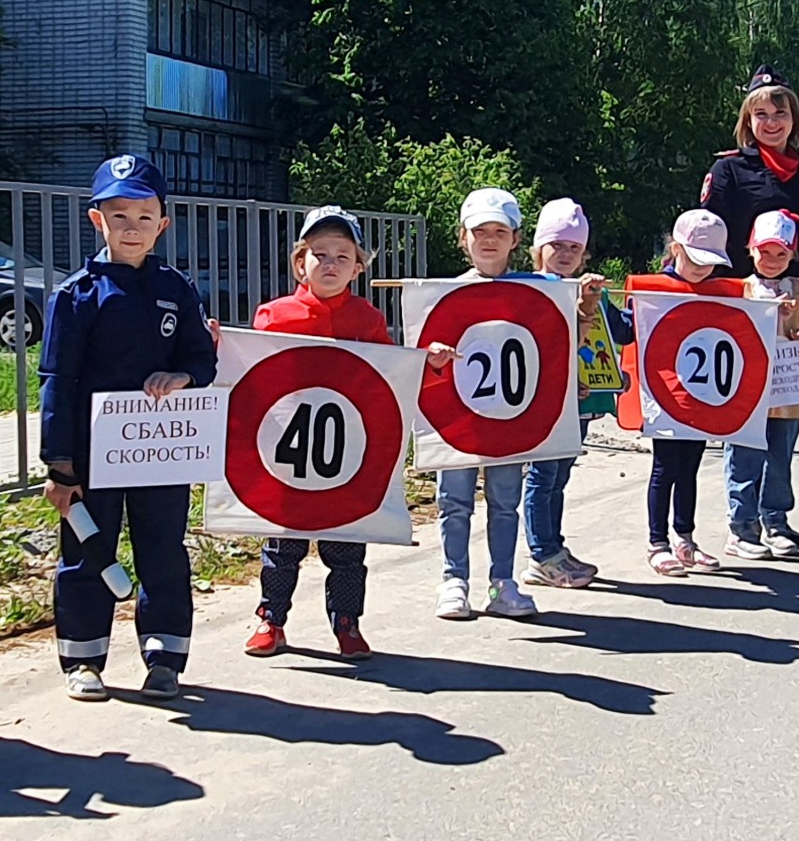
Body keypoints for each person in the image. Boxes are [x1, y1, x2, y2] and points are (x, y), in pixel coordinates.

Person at [41, 154, 218, 702]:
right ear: (98, 222)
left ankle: (165, 656)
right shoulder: (76, 295)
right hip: (93, 456)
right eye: (119, 217)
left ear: (163, 223)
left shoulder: (177, 288)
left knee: (163, 548)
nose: (132, 228)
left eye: (144, 217)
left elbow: (202, 360)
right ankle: (84, 658)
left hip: (161, 452)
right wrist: (59, 463)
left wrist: (184, 374)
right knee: (87, 553)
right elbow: (57, 378)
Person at [243, 206, 450, 660]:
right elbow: (250, 378)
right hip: (286, 453)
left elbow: (386, 380)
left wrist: (426, 366)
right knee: (282, 541)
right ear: (301, 262)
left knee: (347, 543)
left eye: (342, 255)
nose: (330, 263)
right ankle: (270, 620)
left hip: (347, 452)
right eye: (320, 254)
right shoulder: (273, 316)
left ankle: (347, 622)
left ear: (359, 267)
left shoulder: (367, 319)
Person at [434, 188, 547, 621]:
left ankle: (503, 581)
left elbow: (554, 347)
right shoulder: (443, 293)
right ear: (463, 237)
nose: (489, 240)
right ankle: (453, 580)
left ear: (516, 239)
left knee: (505, 500)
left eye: (500, 231)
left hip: (510, 417)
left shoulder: (538, 293)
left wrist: (585, 307)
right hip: (459, 417)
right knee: (454, 499)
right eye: (480, 231)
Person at [624, 210, 747, 577]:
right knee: (664, 468)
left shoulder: (720, 292)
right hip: (663, 396)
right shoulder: (654, 290)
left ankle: (685, 537)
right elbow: (628, 330)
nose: (702, 269)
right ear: (676, 248)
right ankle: (656, 541)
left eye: (710, 263)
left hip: (701, 396)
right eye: (695, 259)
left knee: (690, 467)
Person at [521, 198, 630, 590]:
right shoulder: (529, 289)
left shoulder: (593, 291)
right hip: (545, 401)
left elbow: (624, 331)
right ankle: (541, 554)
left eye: (574, 247)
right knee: (542, 475)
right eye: (557, 245)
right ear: (538, 249)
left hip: (581, 404)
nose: (565, 254)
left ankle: (554, 545)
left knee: (560, 476)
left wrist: (656, 301)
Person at [725, 209, 799, 560]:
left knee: (780, 455)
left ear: (793, 254)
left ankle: (776, 521)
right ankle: (742, 526)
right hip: (747, 389)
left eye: (780, 253)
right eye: (764, 252)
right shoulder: (738, 290)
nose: (771, 260)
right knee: (744, 456)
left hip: (787, 388)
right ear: (750, 249)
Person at [698, 66, 799, 282]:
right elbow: (708, 235)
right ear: (748, 120)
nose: (771, 123)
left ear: (794, 119)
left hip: (794, 297)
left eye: (780, 113)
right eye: (761, 114)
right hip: (735, 294)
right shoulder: (728, 170)